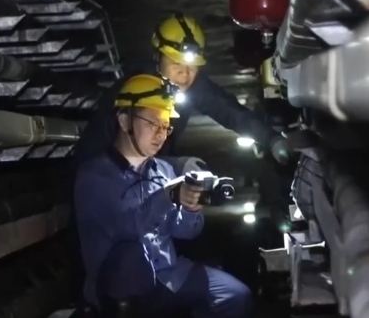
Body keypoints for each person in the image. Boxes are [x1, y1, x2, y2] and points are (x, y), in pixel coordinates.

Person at [74, 73, 253, 318]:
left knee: (235, 296)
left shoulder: (163, 170)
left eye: (166, 126)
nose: (161, 134)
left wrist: (190, 207)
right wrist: (168, 195)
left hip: (167, 275)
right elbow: (127, 228)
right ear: (124, 121)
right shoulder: (94, 177)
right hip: (120, 286)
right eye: (153, 124)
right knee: (130, 257)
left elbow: (184, 232)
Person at [74, 12, 290, 165]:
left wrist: (271, 138)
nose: (185, 75)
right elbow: (98, 147)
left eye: (192, 67)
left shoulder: (188, 85)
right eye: (176, 64)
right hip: (109, 179)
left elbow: (229, 111)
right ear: (158, 57)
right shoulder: (134, 93)